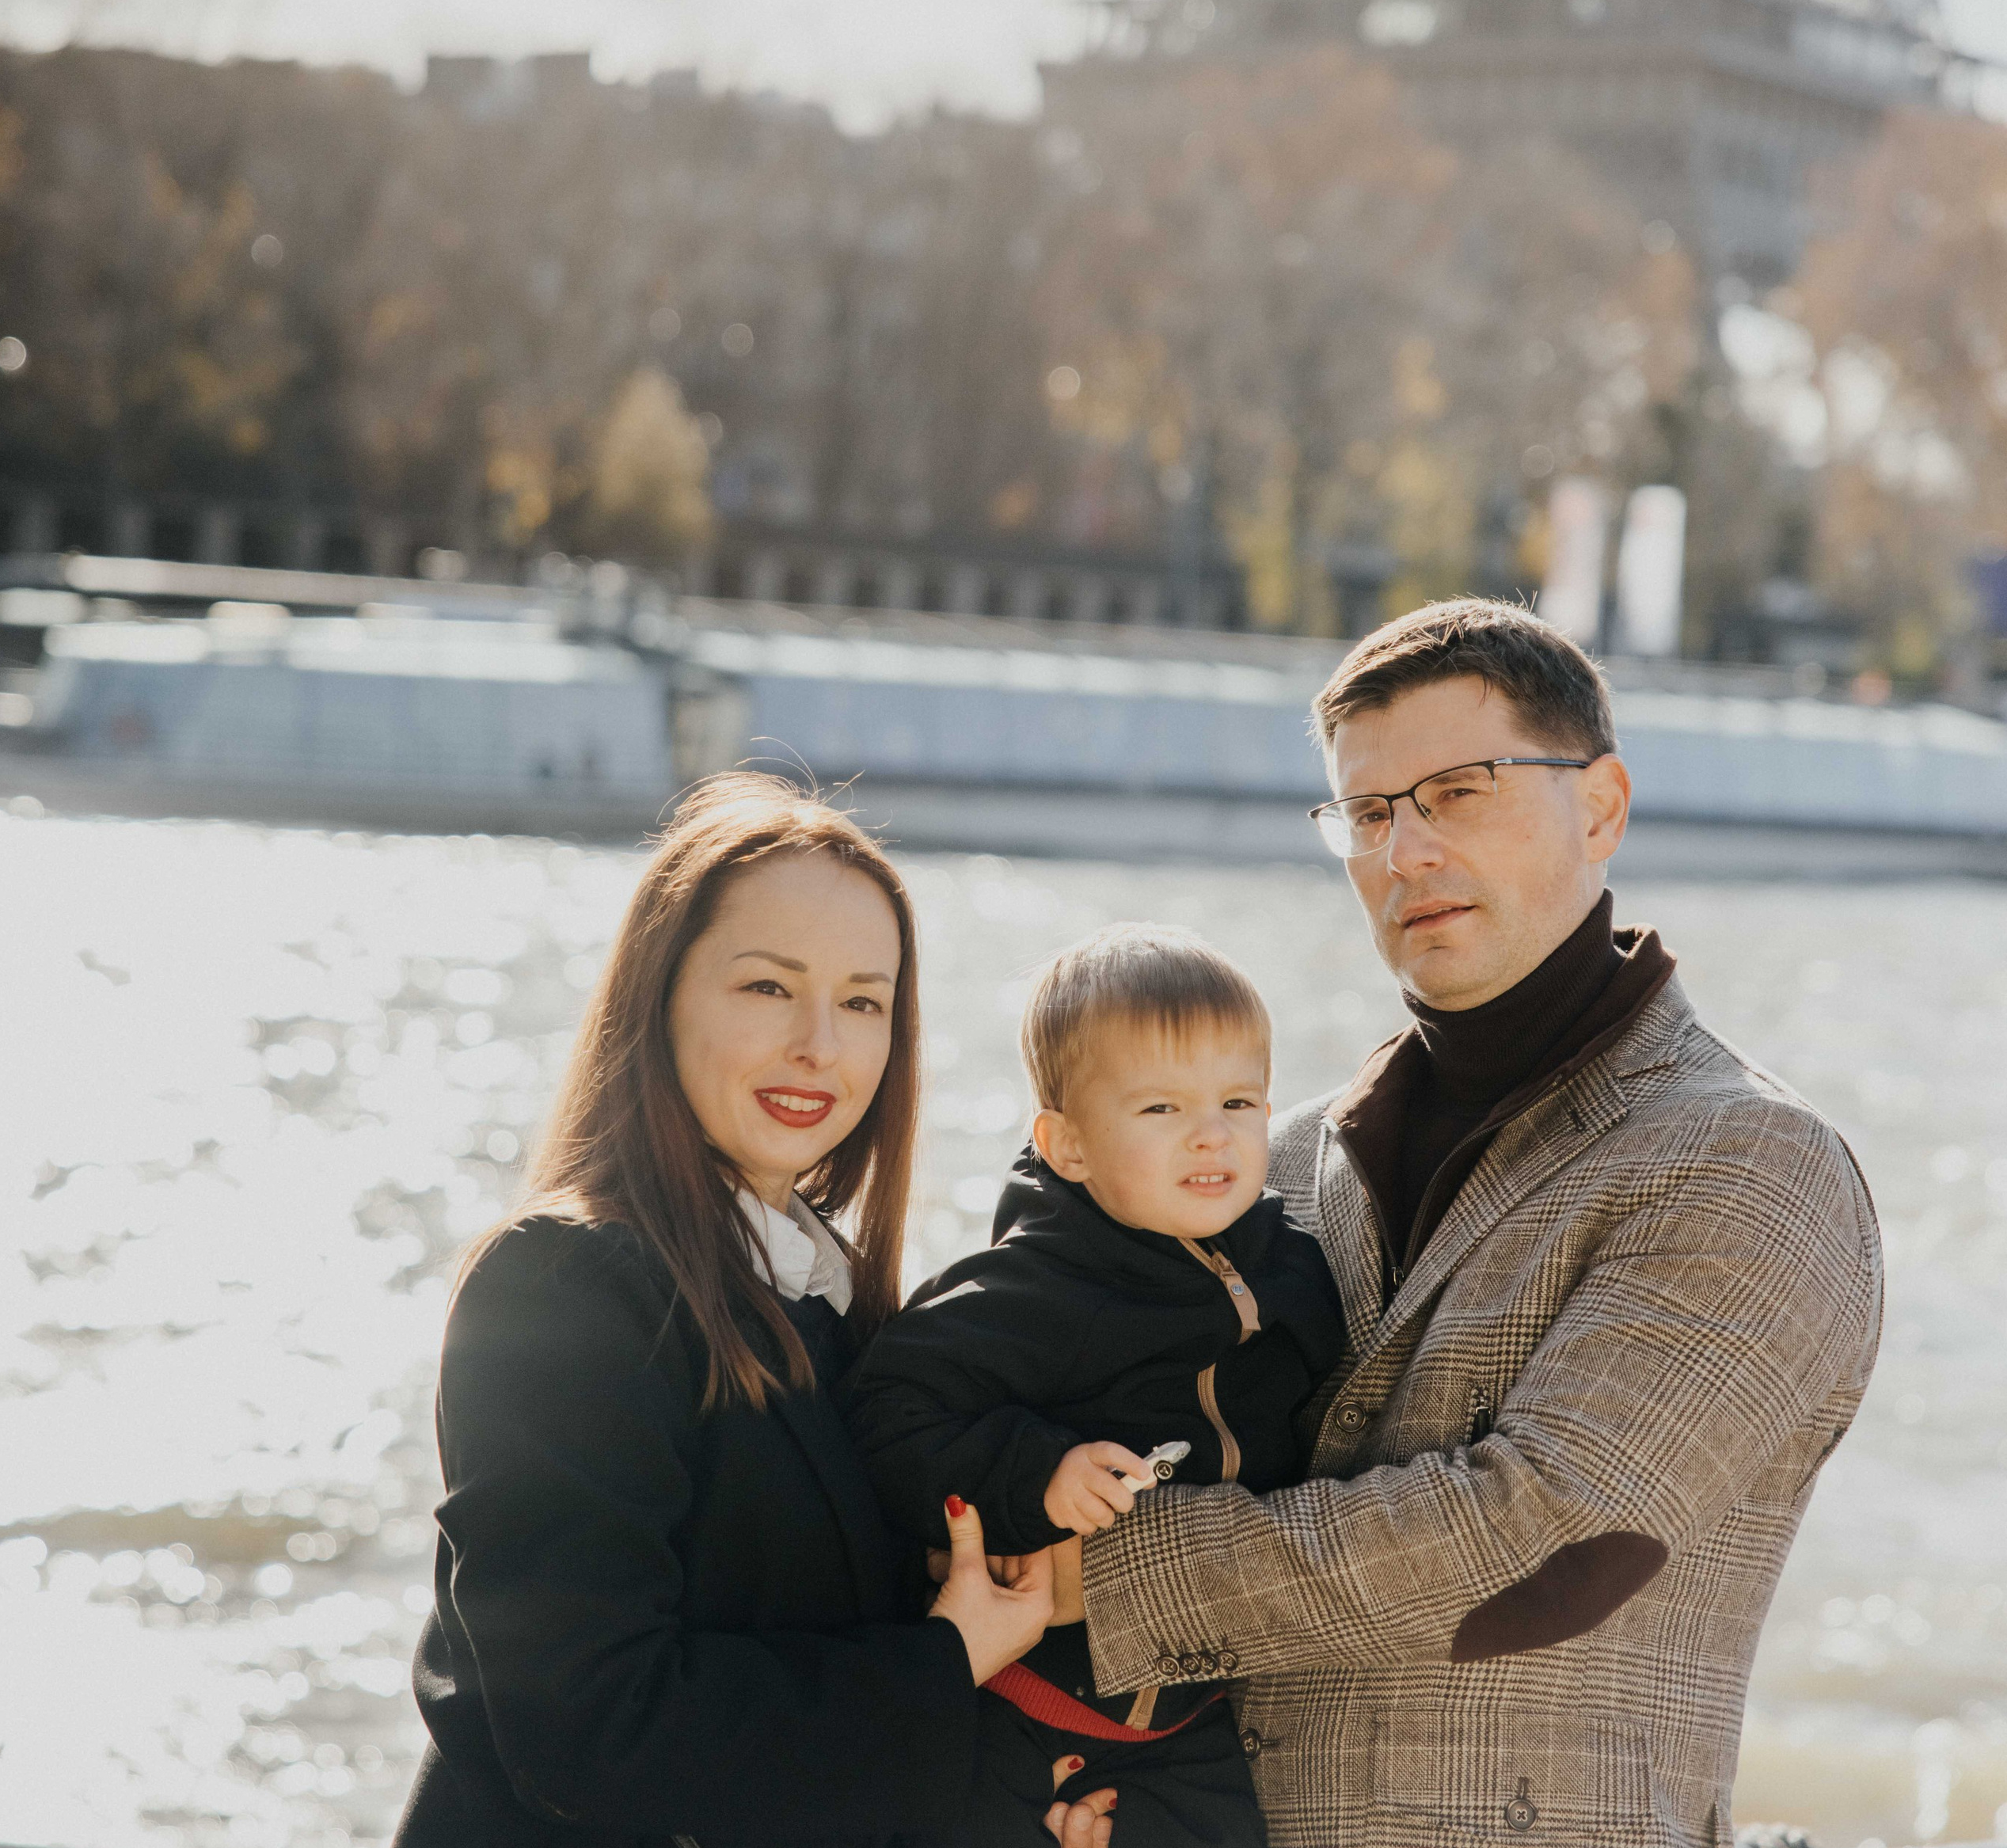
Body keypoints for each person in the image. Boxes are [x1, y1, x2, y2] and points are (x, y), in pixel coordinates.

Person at [1049, 599, 1883, 1848]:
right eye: (1371, 813)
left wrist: (1090, 1582)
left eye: (1458, 791)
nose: (1406, 852)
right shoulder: (1266, 1159)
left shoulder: (1752, 1162)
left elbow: (1540, 1539)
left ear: (1600, 807)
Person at [394, 774, 1051, 1848]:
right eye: (766, 988)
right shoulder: (565, 1286)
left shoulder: (851, 1307)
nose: (820, 1048)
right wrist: (942, 1662)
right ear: (659, 997)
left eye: (862, 1001)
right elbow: (587, 1731)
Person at [850, 925, 1345, 1846]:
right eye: (1160, 1108)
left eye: (1239, 1100)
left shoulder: (1294, 1272)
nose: (1212, 1132)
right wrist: (1036, 1472)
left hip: (1185, 1727)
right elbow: (889, 1412)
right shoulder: (1032, 1287)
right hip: (1015, 1709)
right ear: (1068, 1145)